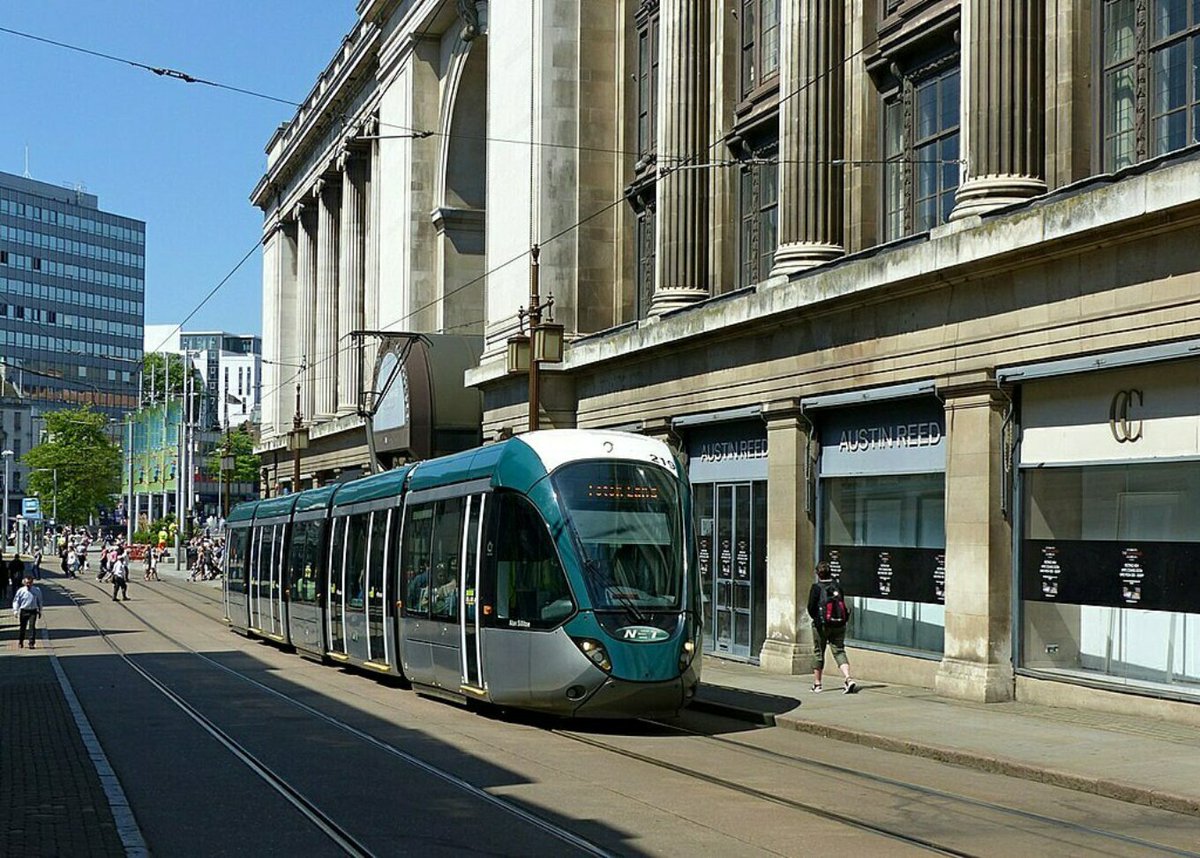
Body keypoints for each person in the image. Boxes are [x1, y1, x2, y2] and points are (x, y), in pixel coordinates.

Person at [807, 561, 856, 694]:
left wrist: (817, 619)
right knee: (839, 651)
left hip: (821, 625)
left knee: (819, 652)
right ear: (830, 573)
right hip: (839, 624)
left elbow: (810, 608)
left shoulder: (816, 588)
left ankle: (817, 684)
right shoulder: (837, 586)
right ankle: (848, 678)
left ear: (818, 574)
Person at [12, 575, 43, 649]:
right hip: (24, 610)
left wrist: (40, 610)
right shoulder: (21, 591)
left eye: (30, 582)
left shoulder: (36, 590)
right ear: (24, 583)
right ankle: (21, 641)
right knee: (23, 627)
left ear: (32, 582)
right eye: (27, 583)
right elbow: (16, 601)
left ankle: (31, 643)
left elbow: (40, 601)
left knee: (32, 627)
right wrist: (15, 610)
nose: (28, 584)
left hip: (33, 611)